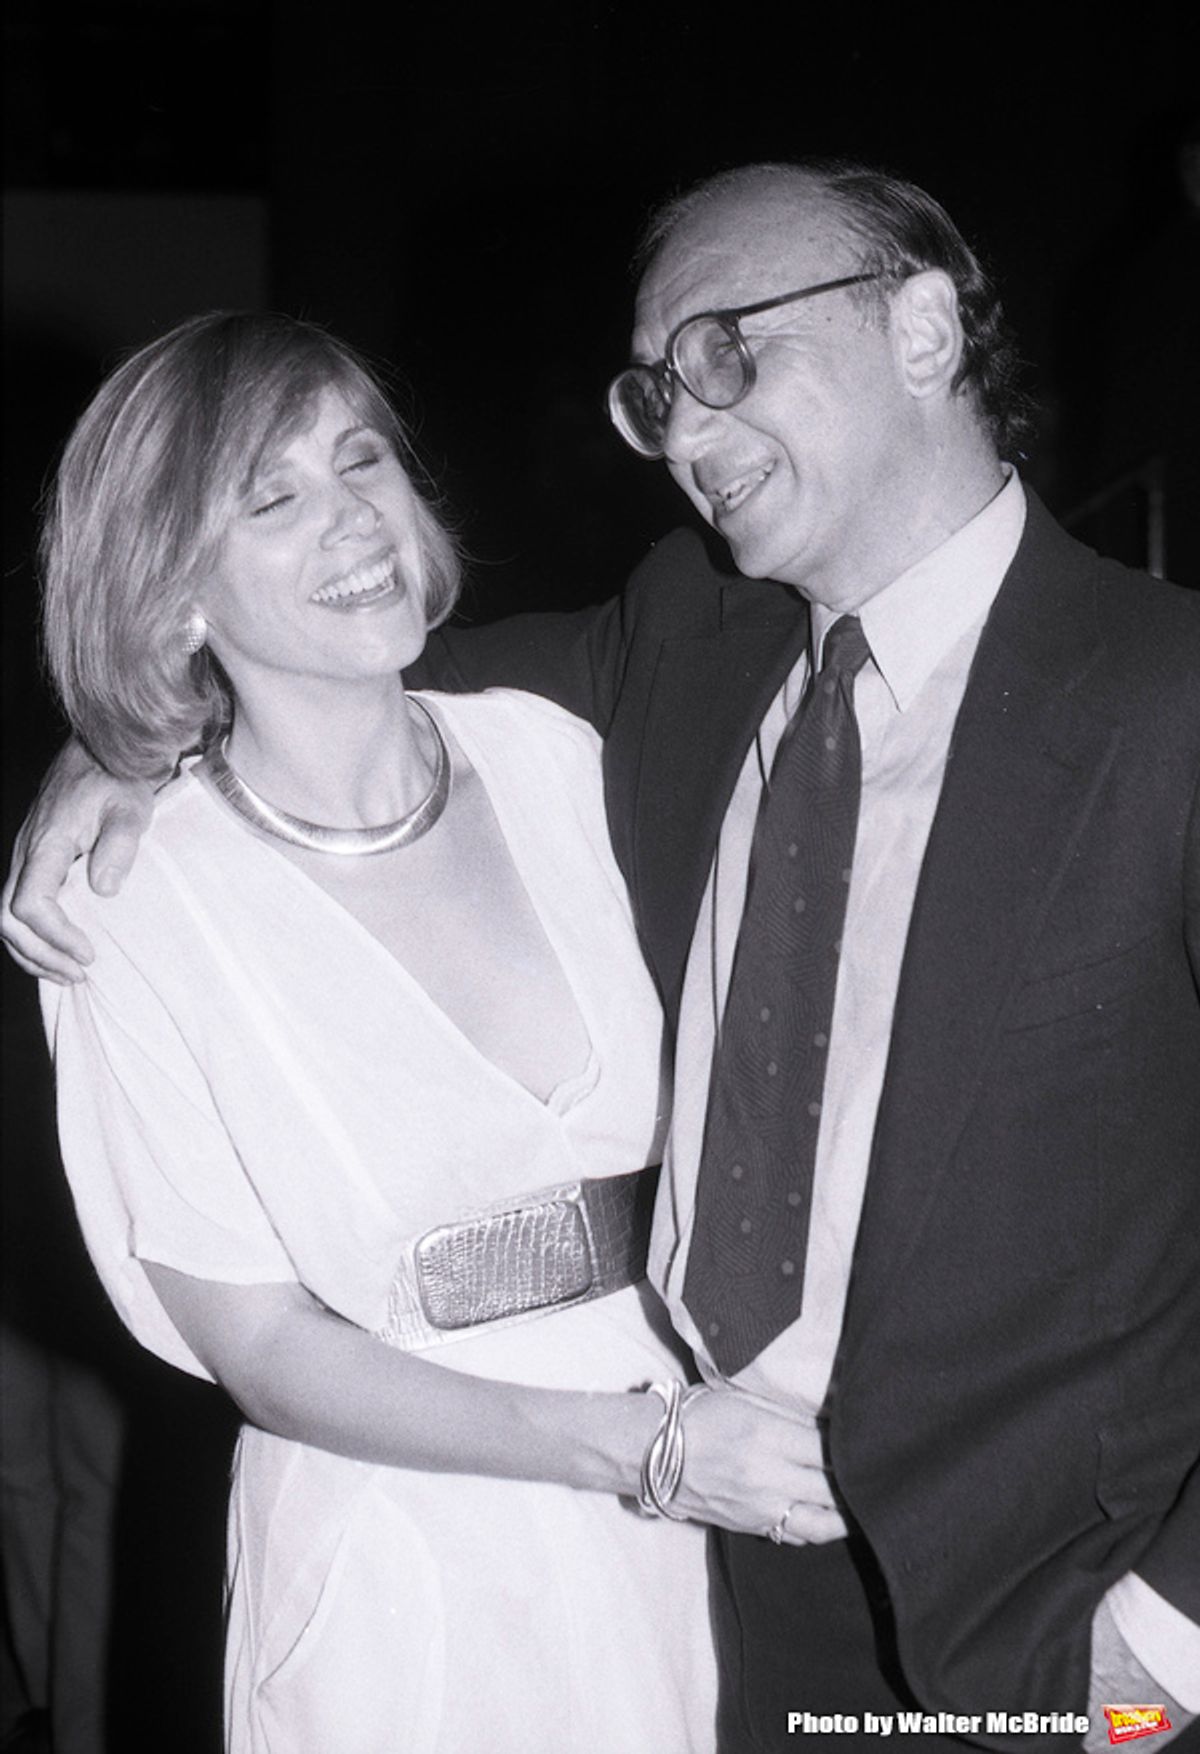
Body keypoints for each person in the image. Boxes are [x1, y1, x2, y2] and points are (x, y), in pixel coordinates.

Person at [6, 163, 1199, 1750]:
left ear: (923, 329)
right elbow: (328, 701)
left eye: (727, 355)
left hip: (1057, 1637)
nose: (687, 433)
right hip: (716, 1606)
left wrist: (1171, 1634)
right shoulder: (680, 652)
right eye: (655, 390)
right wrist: (113, 753)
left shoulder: (1168, 700)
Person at [12, 308, 849, 1754]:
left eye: (364, 460)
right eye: (271, 499)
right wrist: (634, 1450)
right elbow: (265, 1343)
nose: (355, 520)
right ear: (169, 597)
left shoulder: (564, 759)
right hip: (416, 1567)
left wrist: (687, 1447)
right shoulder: (140, 906)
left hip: (706, 1522)